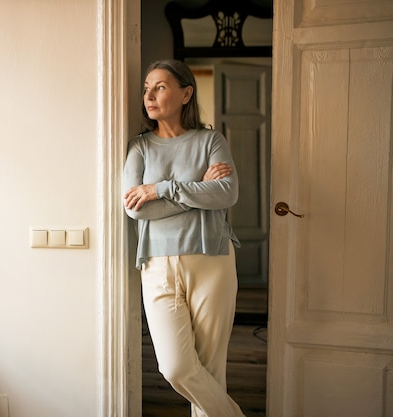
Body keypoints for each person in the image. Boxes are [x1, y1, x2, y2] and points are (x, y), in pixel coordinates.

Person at [122, 59, 245, 417]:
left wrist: (162, 189)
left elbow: (226, 193)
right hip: (157, 265)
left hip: (212, 261)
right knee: (175, 368)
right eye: (147, 88)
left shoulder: (211, 140)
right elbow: (136, 209)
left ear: (186, 93)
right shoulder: (140, 147)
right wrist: (198, 191)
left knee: (209, 369)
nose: (150, 95)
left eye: (160, 86)